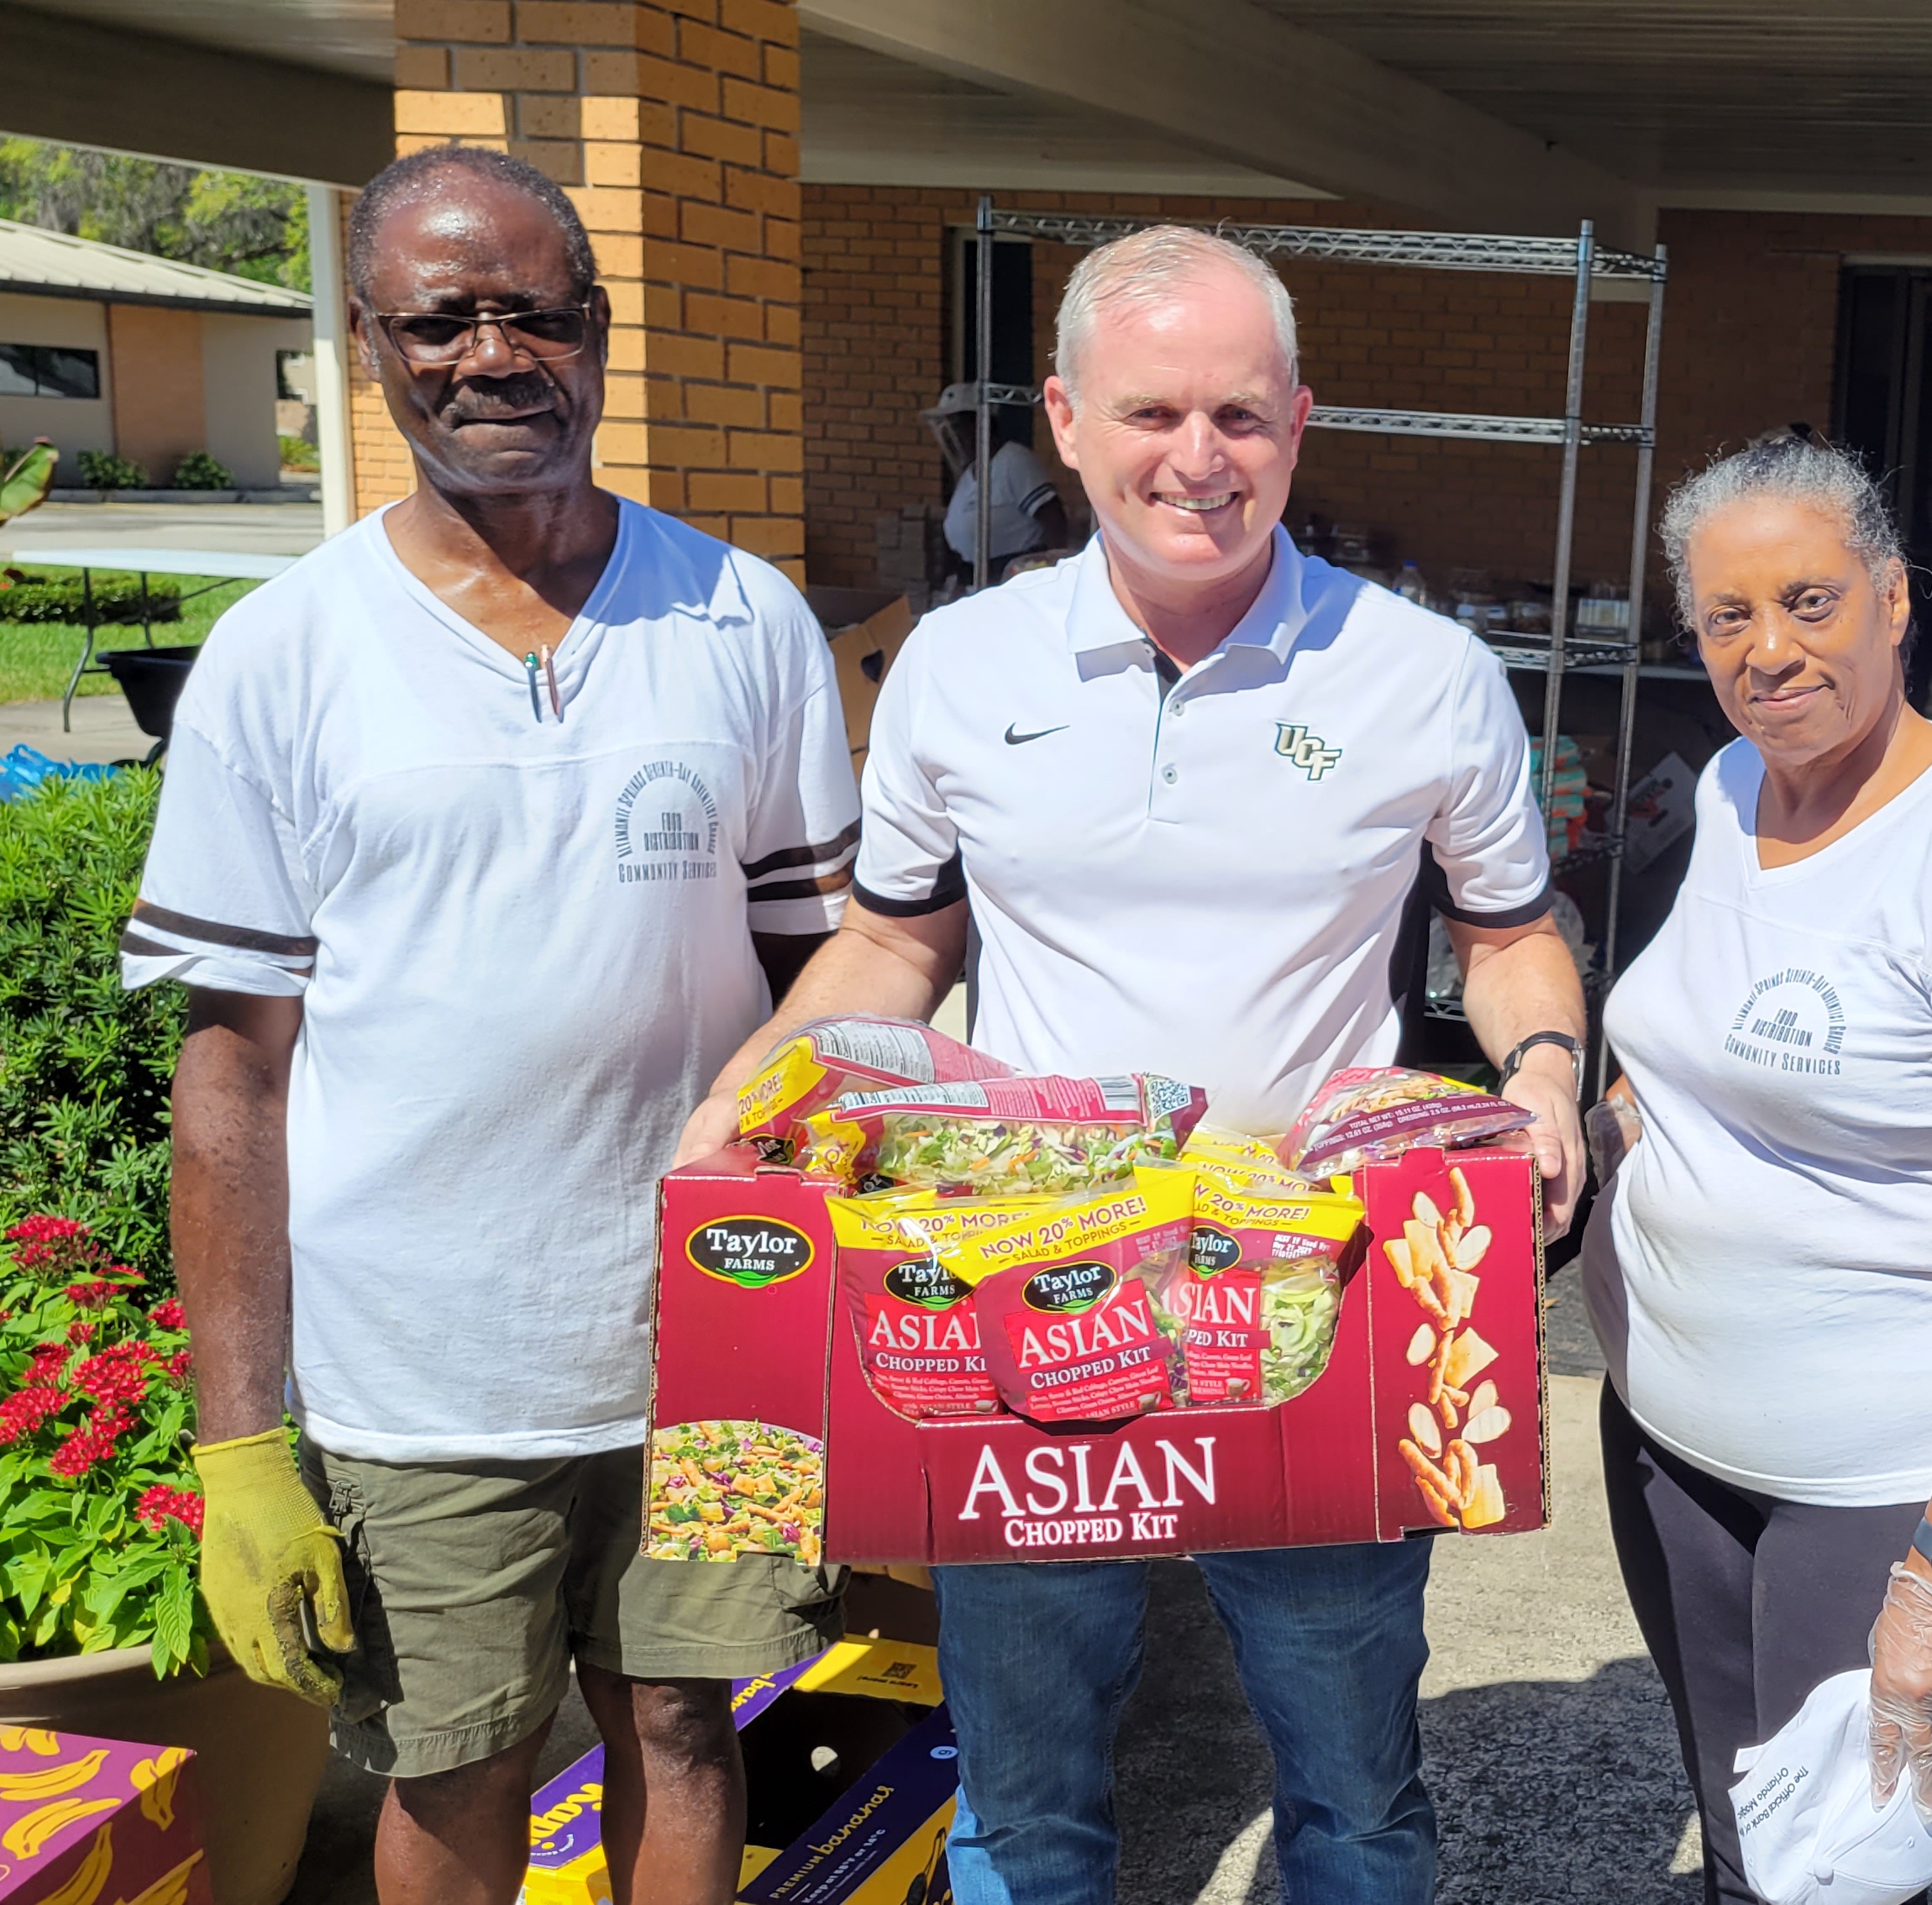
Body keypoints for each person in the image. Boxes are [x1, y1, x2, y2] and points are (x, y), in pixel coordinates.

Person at [672, 225, 1589, 1905]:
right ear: (1067, 419)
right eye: (1153, 411)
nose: (1198, 459)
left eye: (1240, 417)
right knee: (1029, 1807)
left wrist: (1538, 1078)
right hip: (1026, 1300)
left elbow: (1511, 930)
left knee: (1357, 1803)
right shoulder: (962, 666)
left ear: (1298, 424)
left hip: (1319, 1300)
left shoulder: (1424, 677)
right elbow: (896, 941)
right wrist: (754, 1085)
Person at [131, 146, 858, 1905]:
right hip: (427, 1371)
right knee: (459, 1769)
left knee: (688, 1724)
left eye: (531, 310)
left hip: (715, 1343)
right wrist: (240, 1441)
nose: (488, 353)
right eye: (438, 320)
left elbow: (830, 991)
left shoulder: (743, 620)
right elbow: (232, 1067)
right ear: (370, 345)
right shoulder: (284, 653)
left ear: (599, 333)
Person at [1582, 434, 1932, 1904]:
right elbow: (1678, 1058)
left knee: (1835, 1879)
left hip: (1884, 1479)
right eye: (1726, 617)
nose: (1770, 651)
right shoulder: (1715, 793)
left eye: (1811, 601)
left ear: (1895, 598)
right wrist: (1577, 1144)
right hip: (1675, 1441)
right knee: (1745, 1840)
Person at [926, 383, 1072, 584]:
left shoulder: (1014, 461)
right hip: (976, 582)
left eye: (958, 426)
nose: (954, 437)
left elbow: (1054, 520)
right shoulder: (970, 474)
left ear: (981, 423)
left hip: (1014, 581)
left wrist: (1052, 579)